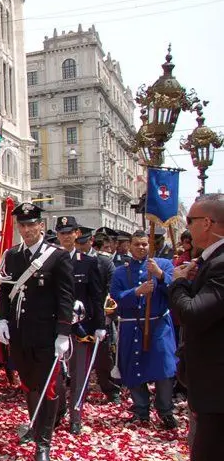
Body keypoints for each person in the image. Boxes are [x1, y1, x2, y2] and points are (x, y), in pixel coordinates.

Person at [0, 203, 73, 461]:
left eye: (31, 225)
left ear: (41, 225)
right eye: (22, 225)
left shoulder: (57, 256)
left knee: (48, 387)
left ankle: (44, 443)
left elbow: (65, 298)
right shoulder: (12, 255)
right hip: (20, 333)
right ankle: (35, 426)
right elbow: (5, 292)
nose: (27, 230)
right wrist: (2, 320)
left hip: (47, 334)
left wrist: (63, 333)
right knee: (29, 384)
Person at [168, 193, 224, 461]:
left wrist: (178, 282)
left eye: (190, 220)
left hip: (217, 389)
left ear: (207, 223)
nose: (186, 226)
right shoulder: (210, 261)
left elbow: (192, 313)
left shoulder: (221, 264)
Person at [109, 230, 178, 430]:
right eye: (137, 244)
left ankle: (165, 411)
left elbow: (175, 289)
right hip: (132, 325)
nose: (141, 248)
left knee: (163, 370)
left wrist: (160, 275)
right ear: (130, 246)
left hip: (158, 326)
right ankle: (141, 410)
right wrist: (136, 292)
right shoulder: (121, 271)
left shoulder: (163, 265)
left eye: (145, 244)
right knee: (134, 368)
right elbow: (115, 298)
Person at [53, 217, 103, 435]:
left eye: (69, 232)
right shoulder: (49, 260)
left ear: (77, 233)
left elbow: (96, 296)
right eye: (61, 232)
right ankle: (57, 411)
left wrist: (100, 324)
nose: (65, 236)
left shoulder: (89, 263)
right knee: (56, 375)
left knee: (78, 374)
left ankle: (76, 415)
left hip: (80, 328)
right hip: (55, 327)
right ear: (57, 235)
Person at [89, 231, 122, 403]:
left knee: (105, 356)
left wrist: (109, 311)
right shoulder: (68, 259)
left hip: (101, 316)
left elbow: (111, 289)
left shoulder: (104, 262)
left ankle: (111, 389)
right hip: (78, 316)